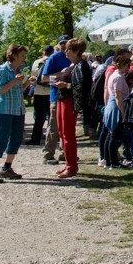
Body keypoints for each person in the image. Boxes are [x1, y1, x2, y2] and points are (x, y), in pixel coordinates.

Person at [0, 43, 32, 184]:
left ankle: (7, 167)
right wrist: (15, 81)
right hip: (5, 110)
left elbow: (17, 90)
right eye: (22, 56)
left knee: (16, 139)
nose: (24, 59)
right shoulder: (2, 70)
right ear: (13, 56)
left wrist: (27, 84)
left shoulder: (16, 70)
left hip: (18, 109)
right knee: (2, 138)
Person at [51, 37, 87, 178]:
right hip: (62, 100)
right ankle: (68, 163)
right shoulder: (72, 65)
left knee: (68, 134)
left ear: (77, 51)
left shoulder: (81, 65)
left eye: (69, 49)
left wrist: (65, 85)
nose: (66, 51)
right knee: (62, 133)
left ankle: (71, 166)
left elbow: (82, 86)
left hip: (69, 101)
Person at [98, 49, 131, 169]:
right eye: (127, 65)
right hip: (116, 107)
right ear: (122, 65)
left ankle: (108, 160)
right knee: (113, 135)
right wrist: (123, 112)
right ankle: (113, 161)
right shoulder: (118, 77)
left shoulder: (115, 75)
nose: (128, 68)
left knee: (111, 135)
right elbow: (118, 96)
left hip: (112, 106)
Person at [39, 38, 70, 165]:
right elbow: (44, 78)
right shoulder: (54, 58)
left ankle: (65, 153)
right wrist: (60, 73)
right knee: (54, 126)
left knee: (67, 126)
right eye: (62, 44)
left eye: (66, 44)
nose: (64, 46)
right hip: (55, 96)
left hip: (68, 96)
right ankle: (48, 154)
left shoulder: (72, 57)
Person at [28, 45, 53, 145]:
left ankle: (35, 139)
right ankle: (51, 139)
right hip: (50, 92)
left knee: (38, 118)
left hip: (38, 92)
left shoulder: (37, 62)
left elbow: (33, 77)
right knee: (51, 118)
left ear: (43, 52)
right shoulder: (53, 61)